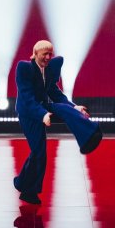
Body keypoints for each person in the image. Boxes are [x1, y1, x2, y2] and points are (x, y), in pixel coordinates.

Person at [14, 40, 102, 205]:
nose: (48, 57)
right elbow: (26, 97)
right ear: (35, 53)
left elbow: (55, 93)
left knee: (64, 108)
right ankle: (27, 190)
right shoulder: (24, 67)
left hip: (42, 106)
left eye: (50, 54)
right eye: (44, 54)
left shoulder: (49, 70)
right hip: (29, 112)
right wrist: (43, 115)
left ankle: (89, 135)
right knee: (39, 152)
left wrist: (75, 107)